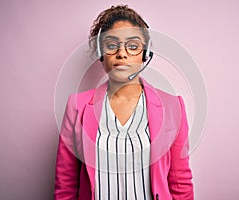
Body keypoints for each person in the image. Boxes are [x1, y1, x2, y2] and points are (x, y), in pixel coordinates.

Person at [54, 5, 194, 200]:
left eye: (133, 46)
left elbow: (180, 182)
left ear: (145, 54)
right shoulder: (76, 107)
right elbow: (66, 184)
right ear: (101, 54)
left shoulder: (173, 107)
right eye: (112, 45)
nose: (122, 53)